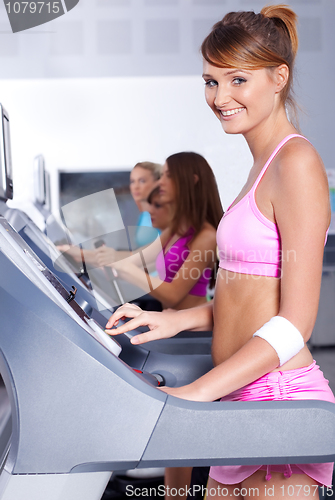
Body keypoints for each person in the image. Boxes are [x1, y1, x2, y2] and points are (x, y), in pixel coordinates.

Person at [105, 5, 335, 499]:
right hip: (238, 400)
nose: (220, 97)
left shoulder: (296, 162)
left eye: (237, 80)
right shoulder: (262, 165)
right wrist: (177, 321)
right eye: (211, 81)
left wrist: (192, 396)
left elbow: (295, 323)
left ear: (279, 78)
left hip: (276, 407)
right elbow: (253, 297)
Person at [103, 151, 223, 312]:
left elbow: (173, 294)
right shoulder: (175, 230)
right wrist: (107, 263)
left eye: (168, 176)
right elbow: (140, 259)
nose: (161, 183)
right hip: (169, 320)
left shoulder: (206, 236)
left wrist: (127, 270)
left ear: (192, 181)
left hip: (190, 330)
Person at [130, 161, 162, 247]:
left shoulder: (163, 215)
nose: (135, 187)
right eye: (132, 181)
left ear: (158, 183)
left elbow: (157, 250)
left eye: (142, 181)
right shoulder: (143, 215)